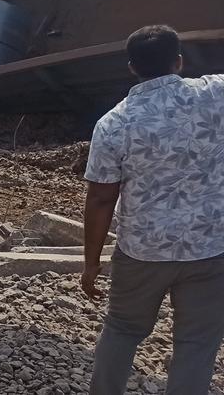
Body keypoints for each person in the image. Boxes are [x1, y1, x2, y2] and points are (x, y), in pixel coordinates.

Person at [83, 25, 224, 394]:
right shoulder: (216, 94)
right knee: (196, 343)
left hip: (143, 251)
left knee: (123, 329)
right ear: (179, 61)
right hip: (209, 247)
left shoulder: (114, 124)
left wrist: (91, 262)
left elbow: (100, 198)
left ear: (132, 67)